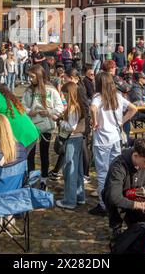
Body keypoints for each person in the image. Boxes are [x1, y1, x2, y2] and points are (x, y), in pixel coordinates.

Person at [89, 72, 137, 216]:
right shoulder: (117, 96)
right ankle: (117, 199)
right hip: (115, 138)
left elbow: (92, 108)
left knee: (103, 173)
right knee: (115, 170)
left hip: (102, 139)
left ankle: (104, 204)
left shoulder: (98, 97)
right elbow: (133, 108)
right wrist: (122, 120)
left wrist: (95, 122)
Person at [102, 138, 145, 239]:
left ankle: (135, 222)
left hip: (137, 195)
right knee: (109, 196)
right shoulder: (118, 166)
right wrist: (140, 205)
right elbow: (114, 197)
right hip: (120, 198)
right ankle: (116, 226)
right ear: (136, 156)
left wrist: (143, 191)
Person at [22, 65, 64, 191]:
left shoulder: (51, 90)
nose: (30, 79)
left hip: (46, 126)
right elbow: (22, 106)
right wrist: (29, 111)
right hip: (31, 126)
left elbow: (60, 107)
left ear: (39, 76)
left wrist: (49, 113)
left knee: (44, 153)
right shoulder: (29, 91)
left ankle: (44, 179)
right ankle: (31, 178)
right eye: (29, 76)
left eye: (32, 77)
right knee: (30, 154)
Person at [56, 82, 86, 210]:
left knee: (70, 170)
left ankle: (69, 200)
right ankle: (80, 196)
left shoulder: (73, 108)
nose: (64, 96)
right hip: (78, 139)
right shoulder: (77, 106)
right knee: (78, 170)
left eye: (65, 93)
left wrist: (60, 122)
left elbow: (71, 127)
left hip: (73, 139)